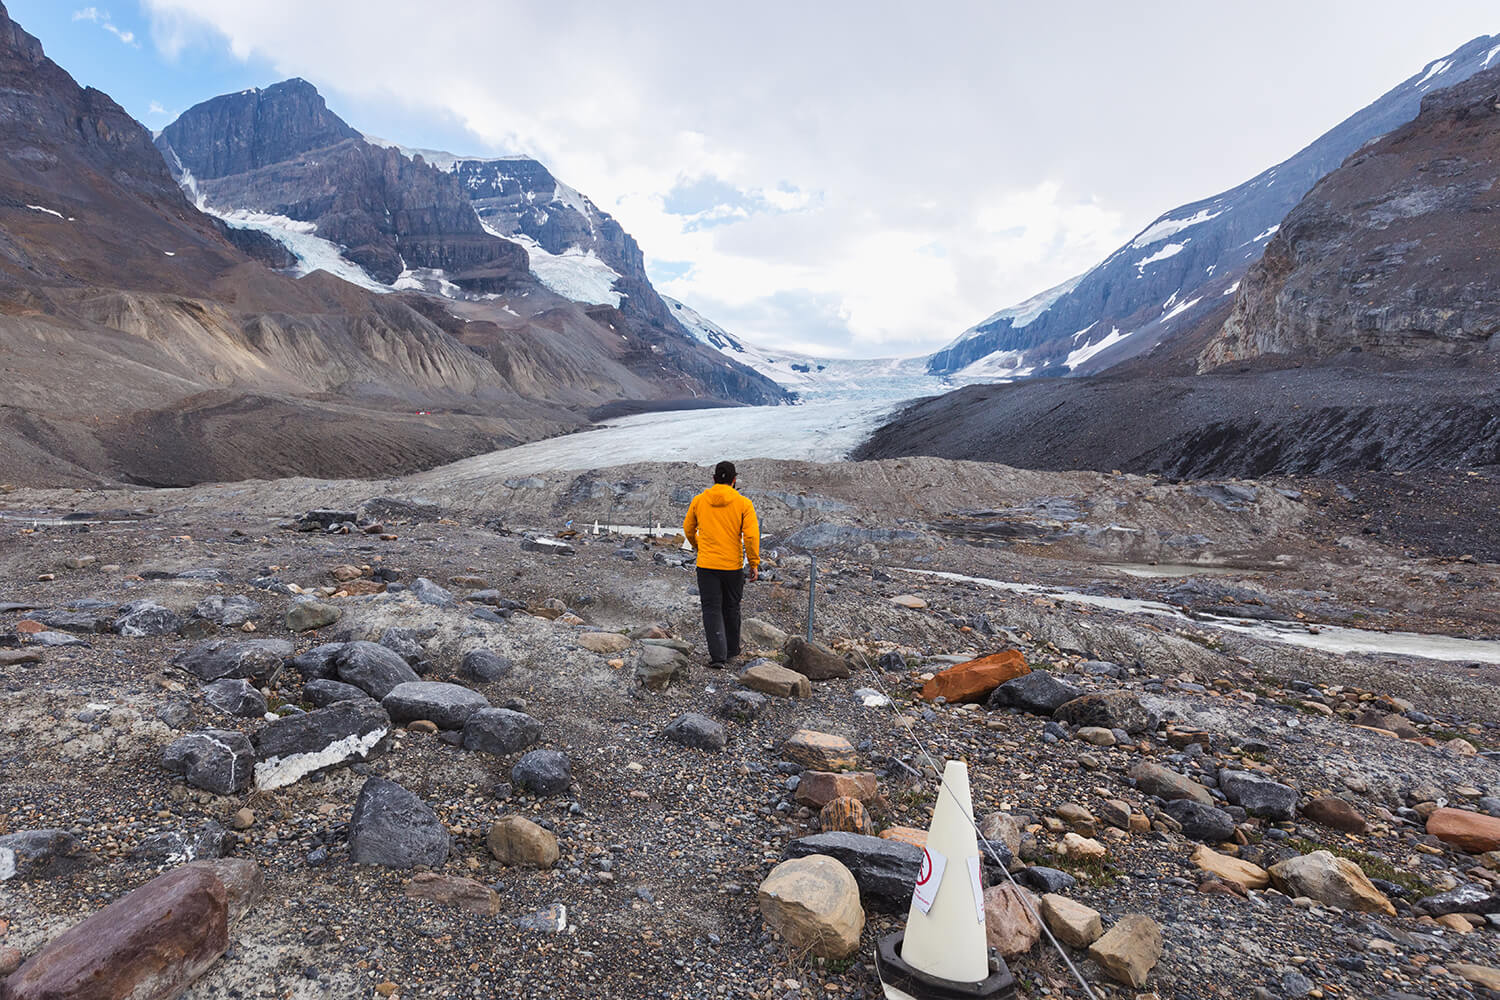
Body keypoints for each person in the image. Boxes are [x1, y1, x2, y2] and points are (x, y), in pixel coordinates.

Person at [682, 460, 760, 668]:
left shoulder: (699, 500)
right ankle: (733, 650)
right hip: (732, 566)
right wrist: (754, 562)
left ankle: (718, 657)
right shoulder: (744, 503)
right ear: (734, 480)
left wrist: (698, 545)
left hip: (707, 565)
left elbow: (688, 528)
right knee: (732, 607)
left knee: (711, 608)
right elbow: (751, 537)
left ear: (714, 478)